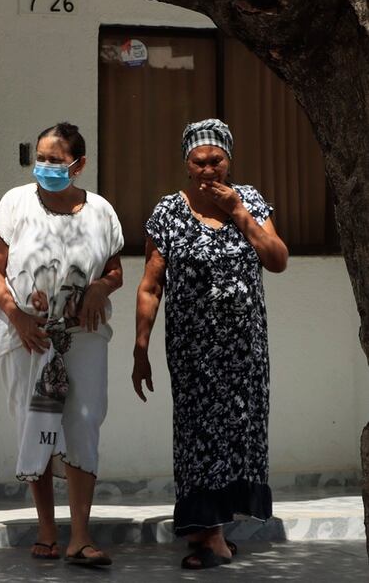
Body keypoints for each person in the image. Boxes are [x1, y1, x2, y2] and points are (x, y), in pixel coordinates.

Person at [133, 119, 288, 570]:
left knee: (237, 434)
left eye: (216, 161)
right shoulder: (168, 212)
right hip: (192, 352)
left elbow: (277, 259)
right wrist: (140, 348)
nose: (208, 170)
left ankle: (212, 533)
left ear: (229, 161)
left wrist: (240, 213)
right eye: (199, 162)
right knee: (198, 436)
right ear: (186, 164)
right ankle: (211, 536)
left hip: (244, 352)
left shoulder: (252, 202)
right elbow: (150, 285)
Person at [0, 122, 123, 566]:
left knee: (83, 423)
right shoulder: (15, 202)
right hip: (30, 335)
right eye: (39, 158)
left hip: (83, 334)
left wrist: (100, 289)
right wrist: (17, 315)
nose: (44, 166)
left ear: (78, 165)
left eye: (55, 159)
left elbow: (115, 271)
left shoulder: (101, 210)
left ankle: (80, 535)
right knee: (35, 423)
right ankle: (46, 527)